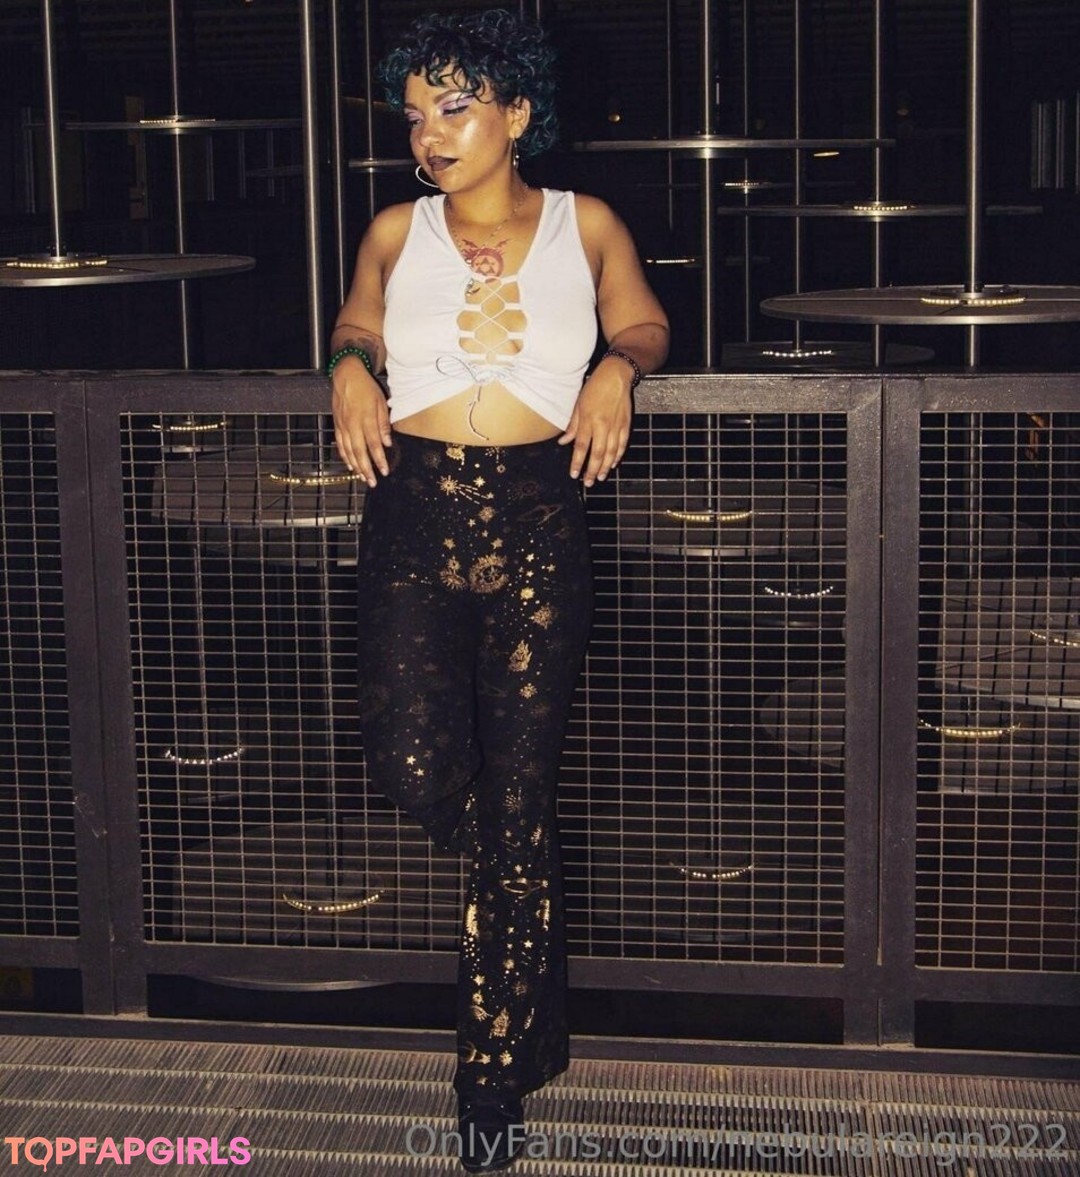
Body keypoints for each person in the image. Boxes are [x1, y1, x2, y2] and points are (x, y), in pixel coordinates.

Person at [329, 8, 668, 1172]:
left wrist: (618, 367)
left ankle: (491, 1070)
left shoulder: (587, 223)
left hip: (538, 513)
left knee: (519, 791)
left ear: (518, 112)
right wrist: (349, 365)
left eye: (455, 106)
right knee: (409, 759)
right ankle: (519, 887)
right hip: (414, 509)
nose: (428, 133)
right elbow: (357, 319)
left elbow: (645, 320)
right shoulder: (394, 229)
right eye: (414, 114)